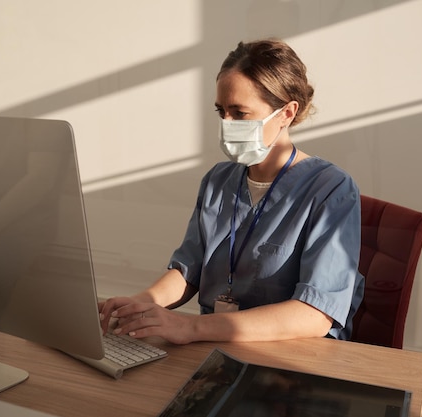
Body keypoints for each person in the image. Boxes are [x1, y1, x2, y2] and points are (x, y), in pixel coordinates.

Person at [99, 39, 364, 345]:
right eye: (221, 111)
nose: (226, 123)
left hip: (288, 363)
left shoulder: (331, 190)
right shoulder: (218, 180)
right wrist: (140, 304)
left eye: (239, 113)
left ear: (287, 113)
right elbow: (189, 270)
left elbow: (315, 314)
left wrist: (189, 328)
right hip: (213, 349)